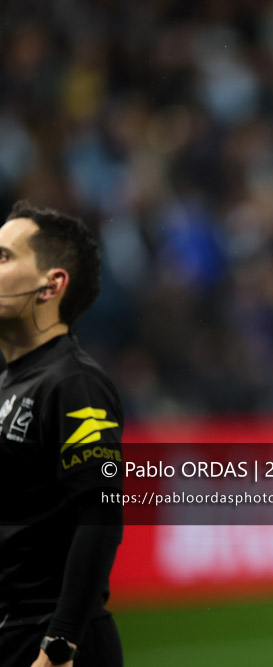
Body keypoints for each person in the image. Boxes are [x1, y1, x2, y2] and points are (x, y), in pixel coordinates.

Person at [0, 201, 124, 667]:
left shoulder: (74, 383)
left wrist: (61, 643)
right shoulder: (10, 383)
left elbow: (102, 514)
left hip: (52, 646)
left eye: (4, 256)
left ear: (51, 284)